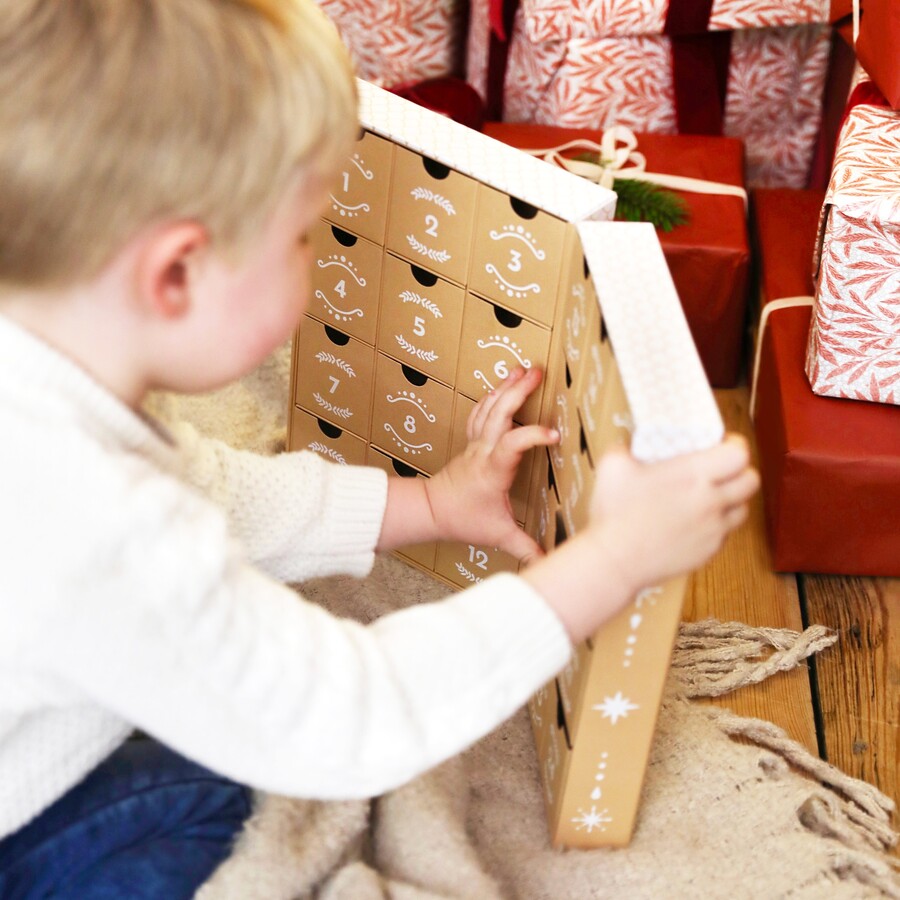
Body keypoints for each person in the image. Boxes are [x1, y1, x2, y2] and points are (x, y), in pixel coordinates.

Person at [0, 1, 759, 897]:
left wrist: (428, 507)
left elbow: (204, 490)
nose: (316, 258)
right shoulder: (103, 522)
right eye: (300, 237)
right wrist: (614, 560)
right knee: (221, 794)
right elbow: (341, 715)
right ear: (176, 273)